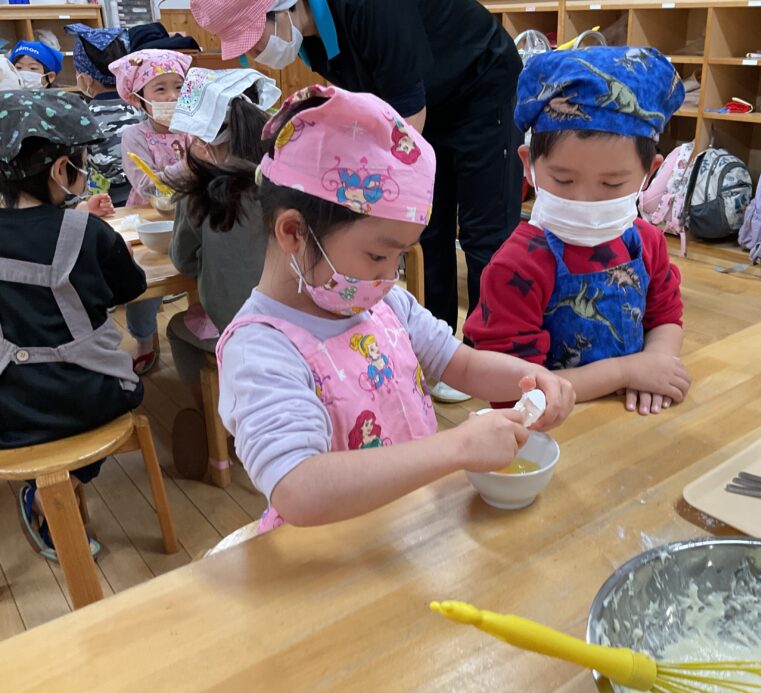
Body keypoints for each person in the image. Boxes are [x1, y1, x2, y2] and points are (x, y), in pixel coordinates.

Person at [208, 85, 574, 530]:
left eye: (400, 256)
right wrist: (457, 447)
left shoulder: (384, 303)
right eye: (379, 255)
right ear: (294, 233)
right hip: (335, 553)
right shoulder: (259, 349)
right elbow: (298, 489)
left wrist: (531, 379)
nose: (390, 275)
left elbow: (459, 363)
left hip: (411, 529)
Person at [190, 0, 525, 403]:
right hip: (423, 101)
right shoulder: (310, 40)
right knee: (429, 229)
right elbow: (374, 110)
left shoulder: (370, 9)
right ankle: (435, 344)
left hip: (479, 83)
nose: (256, 53)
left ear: (280, 6)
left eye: (254, 38)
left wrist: (369, 201)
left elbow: (403, 124)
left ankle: (487, 350)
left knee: (484, 230)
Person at [464, 47, 692, 416]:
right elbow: (511, 388)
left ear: (649, 173)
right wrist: (627, 372)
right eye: (564, 180)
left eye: (612, 184)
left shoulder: (645, 243)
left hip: (631, 421)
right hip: (553, 430)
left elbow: (665, 315)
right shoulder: (517, 265)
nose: (584, 200)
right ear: (529, 165)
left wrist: (657, 361)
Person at [0, 89, 147, 561]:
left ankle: (40, 489)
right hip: (90, 399)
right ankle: (57, 491)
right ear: (61, 170)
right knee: (128, 388)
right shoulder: (89, 232)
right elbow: (131, 287)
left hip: (9, 410)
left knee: (33, 420)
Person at [162, 67, 279, 479]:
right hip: (297, 322)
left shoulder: (200, 193)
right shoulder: (285, 184)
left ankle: (219, 427)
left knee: (177, 328)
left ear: (206, 141)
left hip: (235, 327)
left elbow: (183, 261)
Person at [109, 49, 192, 375]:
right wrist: (193, 163)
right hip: (149, 219)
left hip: (192, 216)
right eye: (160, 89)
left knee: (199, 272)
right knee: (144, 284)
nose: (172, 96)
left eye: (179, 87)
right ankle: (144, 339)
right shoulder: (134, 136)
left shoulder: (195, 130)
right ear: (139, 98)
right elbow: (147, 185)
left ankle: (202, 323)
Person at [65, 24, 146, 207]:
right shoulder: (143, 107)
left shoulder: (81, 117)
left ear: (86, 78)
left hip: (105, 204)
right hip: (150, 195)